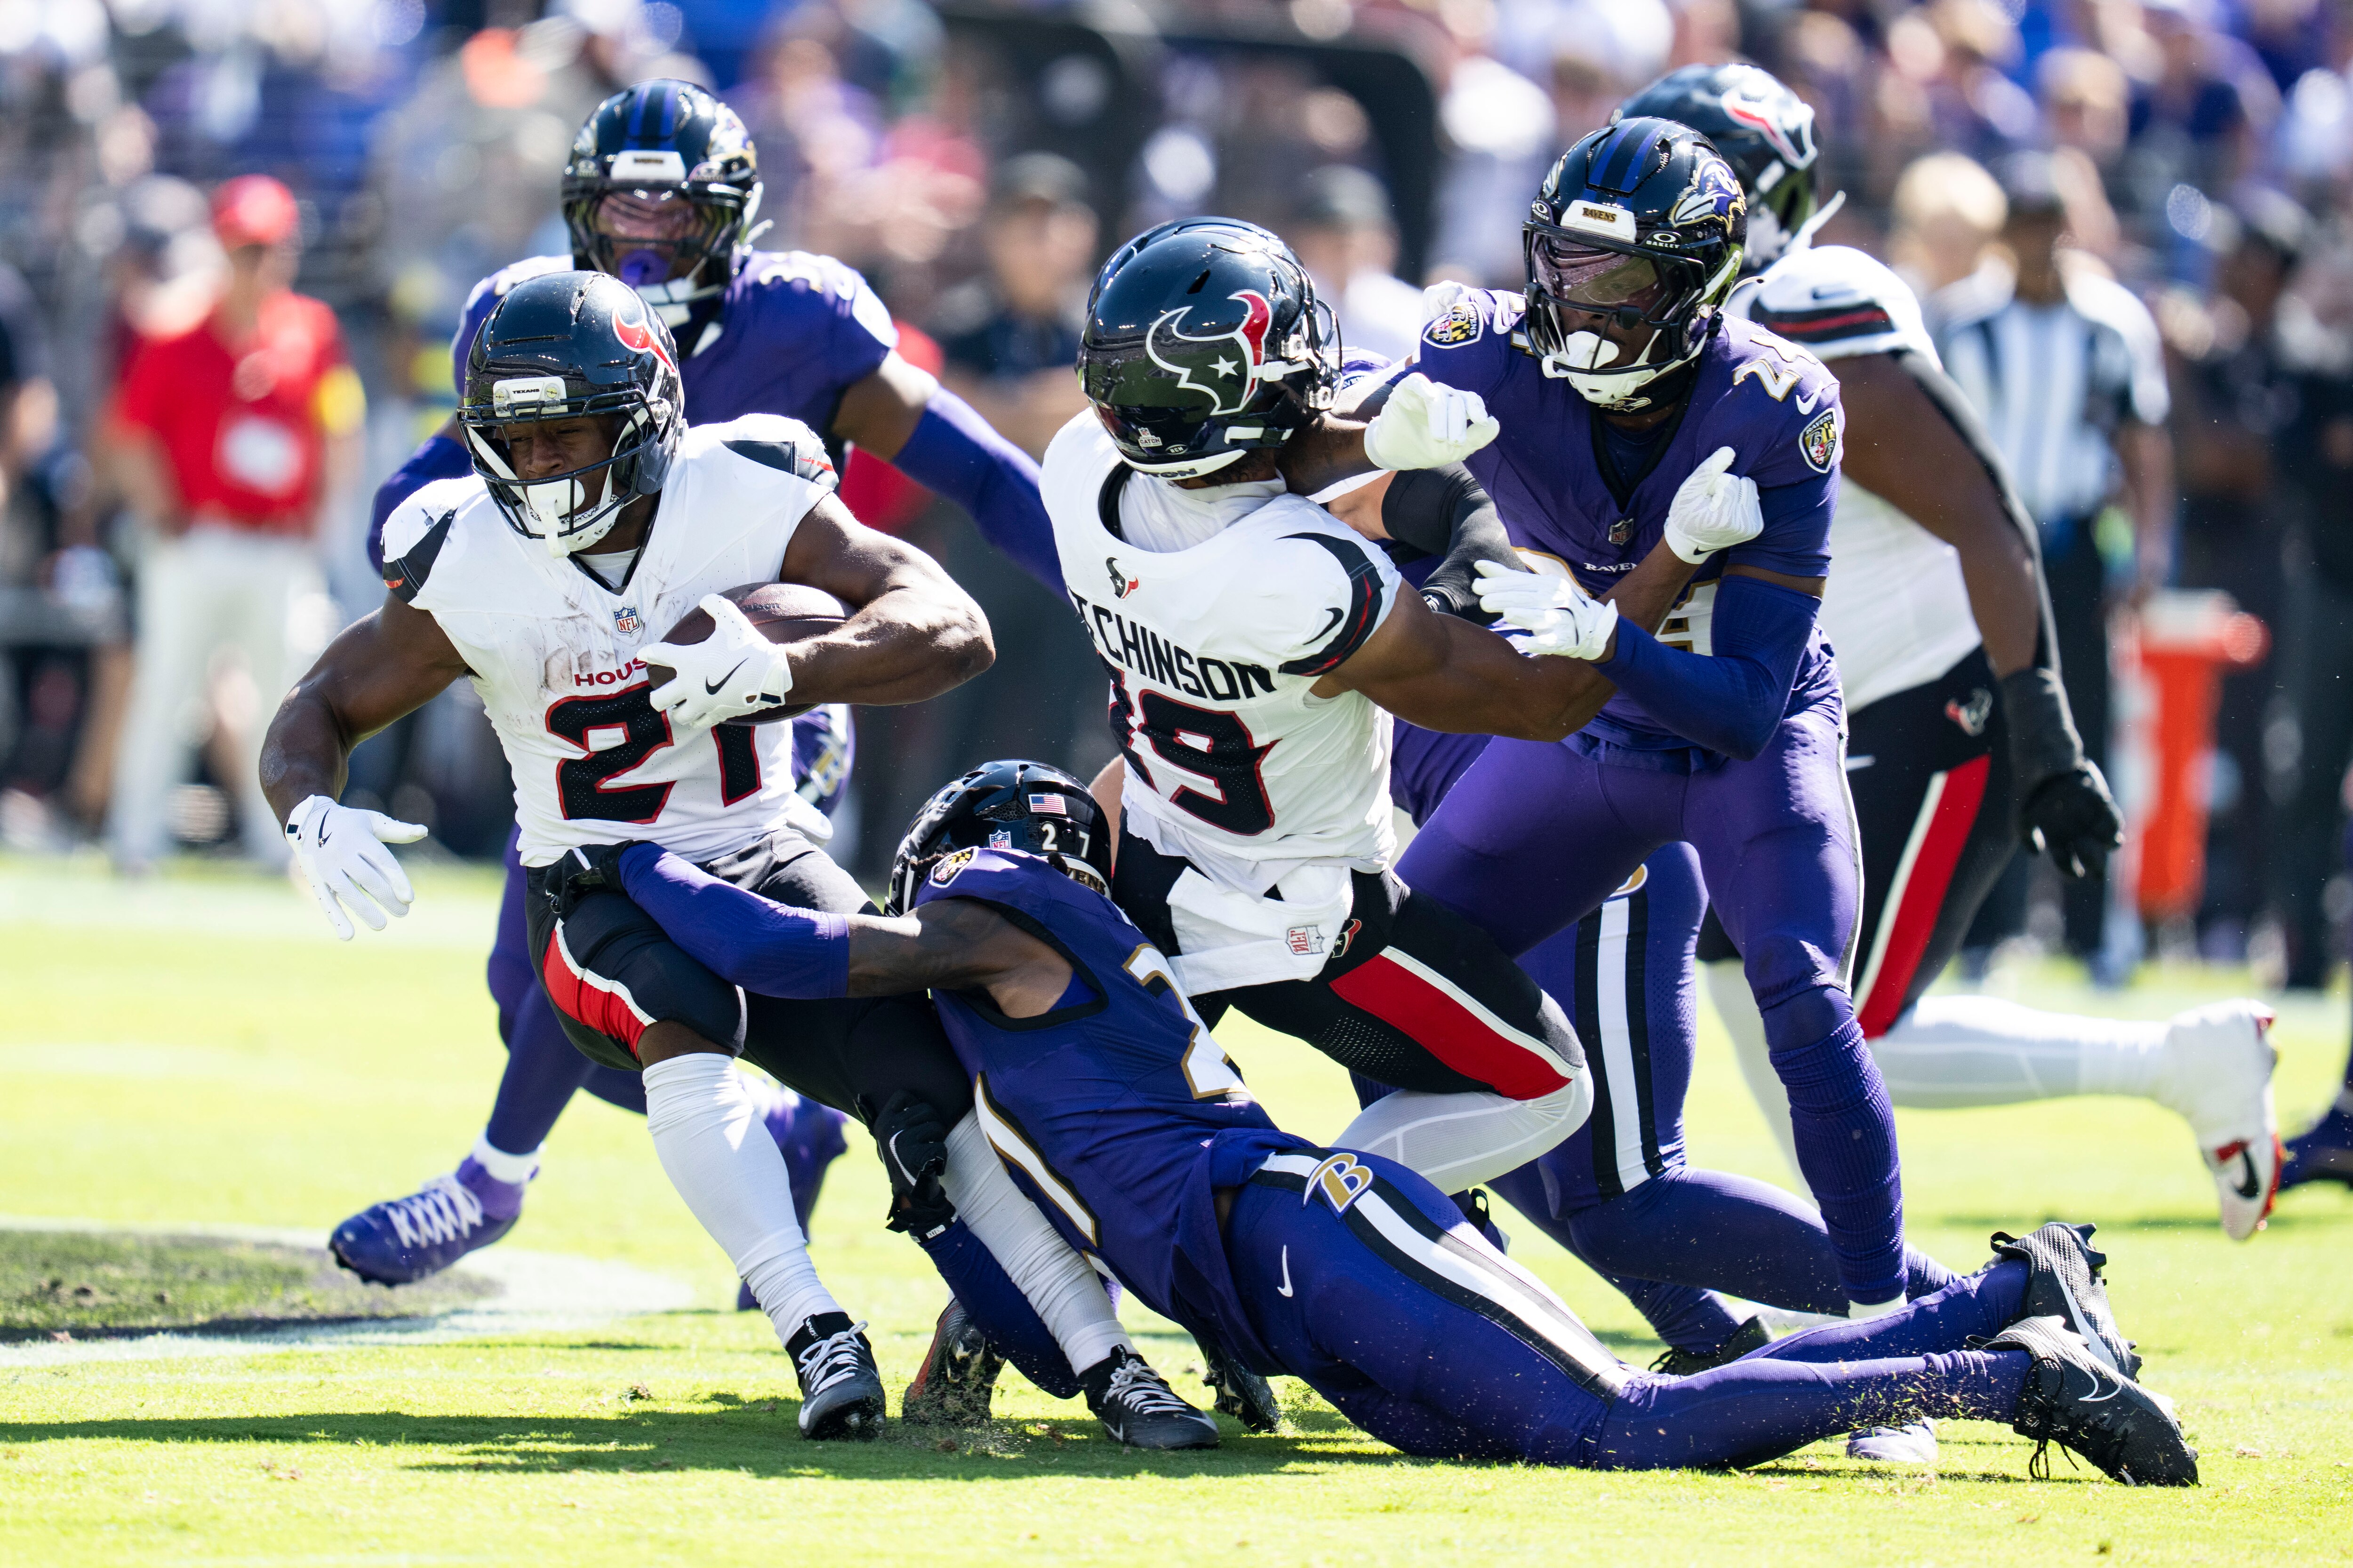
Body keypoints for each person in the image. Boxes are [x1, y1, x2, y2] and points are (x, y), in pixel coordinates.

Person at [554, 763, 2199, 1486]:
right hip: (1276, 1265)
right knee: (1583, 1434)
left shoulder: (1004, 909)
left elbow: (783, 947)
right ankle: (1996, 1301)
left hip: (1303, 1225)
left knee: (1618, 1426)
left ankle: (2007, 1368)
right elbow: (1024, 1220)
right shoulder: (1024, 963)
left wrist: (624, 857)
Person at [260, 271, 1213, 1448]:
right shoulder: (468, 554)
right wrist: (310, 808)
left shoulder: (740, 492)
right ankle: (814, 1328)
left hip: (762, 855)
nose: (549, 466)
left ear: (648, 416)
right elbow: (322, 704)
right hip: (598, 891)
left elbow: (952, 626)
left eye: (574, 433)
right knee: (681, 1025)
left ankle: (1110, 1362)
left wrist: (785, 672)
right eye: (521, 439)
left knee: (926, 1082)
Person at [337, 78, 1055, 1283]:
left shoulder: (804, 324)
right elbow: (401, 514)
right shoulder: (536, 323)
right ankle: (791, 1122)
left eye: (674, 216)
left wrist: (1116, 585)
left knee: (670, 925)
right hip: (592, 703)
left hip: (763, 689)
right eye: (623, 217)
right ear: (582, 219)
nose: (646, 238)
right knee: (539, 1000)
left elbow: (983, 477)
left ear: (728, 219)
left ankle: (493, 1178)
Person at [1615, 63, 2278, 1240]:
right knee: (1751, 983)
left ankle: (1886, 1292)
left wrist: (2045, 733)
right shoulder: (1680, 331)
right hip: (1820, 714)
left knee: (1831, 1016)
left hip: (1932, 698)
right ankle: (1860, 1268)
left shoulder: (1811, 299)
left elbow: (1984, 512)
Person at [1297, 119, 1907, 1318]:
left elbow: (1742, 713)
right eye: (1561, 268)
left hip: (1739, 734)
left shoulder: (1773, 402)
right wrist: (1376, 447)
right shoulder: (1479, 354)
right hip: (1584, 742)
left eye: (1619, 282)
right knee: (1399, 987)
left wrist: (1615, 630)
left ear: (1695, 290)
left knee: (1799, 987)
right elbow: (1309, 465)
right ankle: (1419, 1295)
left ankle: (1902, 1335)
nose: (1577, 307)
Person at [1043, 216, 1765, 1200]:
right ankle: (1286, 1216)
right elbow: (1550, 701)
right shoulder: (1309, 577)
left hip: (1157, 854)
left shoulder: (1075, 466)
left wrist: (1374, 441)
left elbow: (1233, 465)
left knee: (1115, 1133)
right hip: (1304, 921)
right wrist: (1672, 557)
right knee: (1546, 1085)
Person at [1933, 151, 2177, 983]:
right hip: (1988, 539)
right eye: (2025, 222)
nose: (2038, 239)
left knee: (2087, 726)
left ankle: (2089, 928)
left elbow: (2143, 446)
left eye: (2050, 221)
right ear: (2006, 232)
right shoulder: (1963, 323)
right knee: (1984, 721)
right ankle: (1982, 928)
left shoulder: (2111, 324)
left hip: (2070, 542)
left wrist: (2149, 550)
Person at [108, 174, 361, 872]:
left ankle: (281, 850)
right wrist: (163, 510)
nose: (264, 262)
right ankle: (135, 843)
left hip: (279, 546)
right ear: (223, 249)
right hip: (199, 538)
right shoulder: (176, 334)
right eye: (250, 248)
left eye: (275, 247)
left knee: (286, 702)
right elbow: (131, 434)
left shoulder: (312, 331)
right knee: (166, 692)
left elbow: (340, 425)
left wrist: (324, 511)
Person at [1284, 165, 1425, 366]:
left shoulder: (1413, 312)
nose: (1344, 242)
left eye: (1355, 229)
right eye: (1329, 229)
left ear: (1386, 239)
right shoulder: (1285, 308)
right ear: (1301, 238)